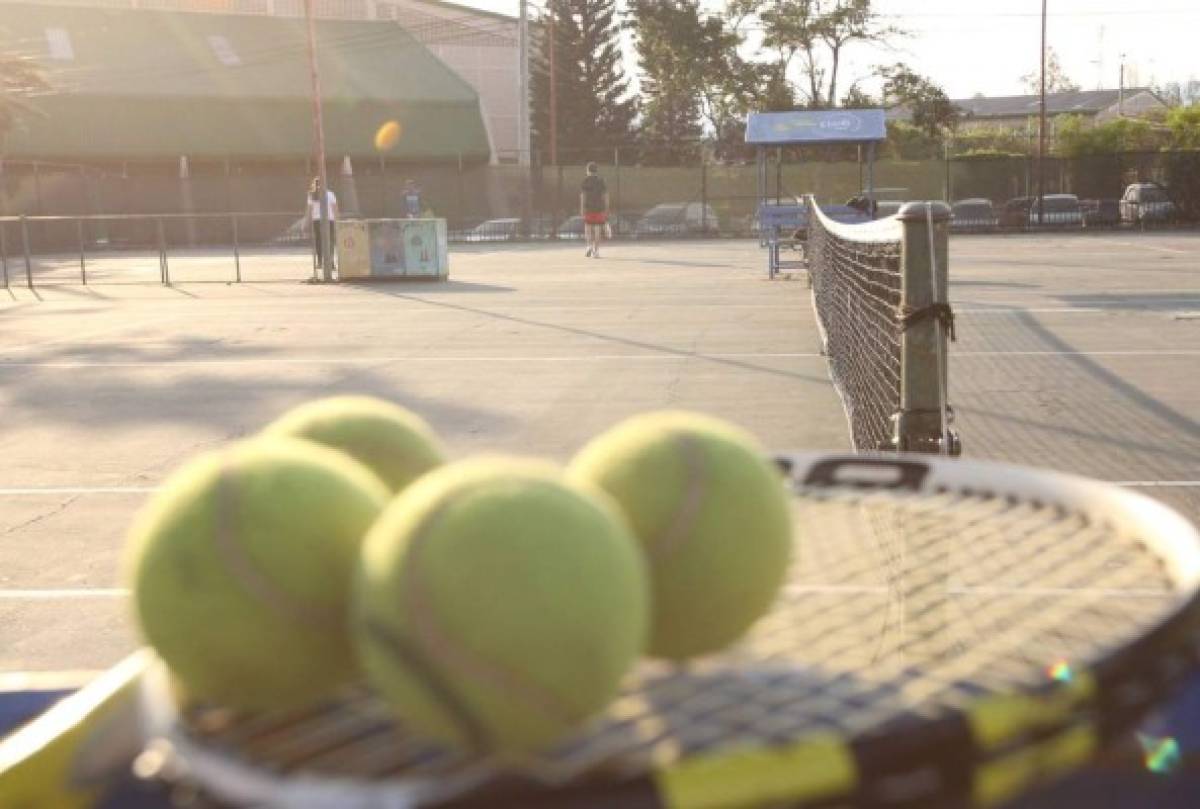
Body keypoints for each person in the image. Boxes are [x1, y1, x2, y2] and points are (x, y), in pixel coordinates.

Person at [308, 177, 339, 270]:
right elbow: (335, 208)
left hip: (316, 220)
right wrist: (338, 220)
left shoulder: (312, 195)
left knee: (318, 242)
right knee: (330, 241)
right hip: (329, 220)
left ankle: (320, 262)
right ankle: (331, 262)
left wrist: (308, 220)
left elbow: (310, 209)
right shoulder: (330, 194)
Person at [579, 162, 609, 258]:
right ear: (596, 170)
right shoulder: (601, 181)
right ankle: (596, 251)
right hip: (599, 208)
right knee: (597, 230)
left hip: (588, 208)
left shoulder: (585, 181)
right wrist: (606, 208)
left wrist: (582, 208)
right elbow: (606, 196)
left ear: (588, 170)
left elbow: (583, 196)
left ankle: (588, 246)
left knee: (588, 228)